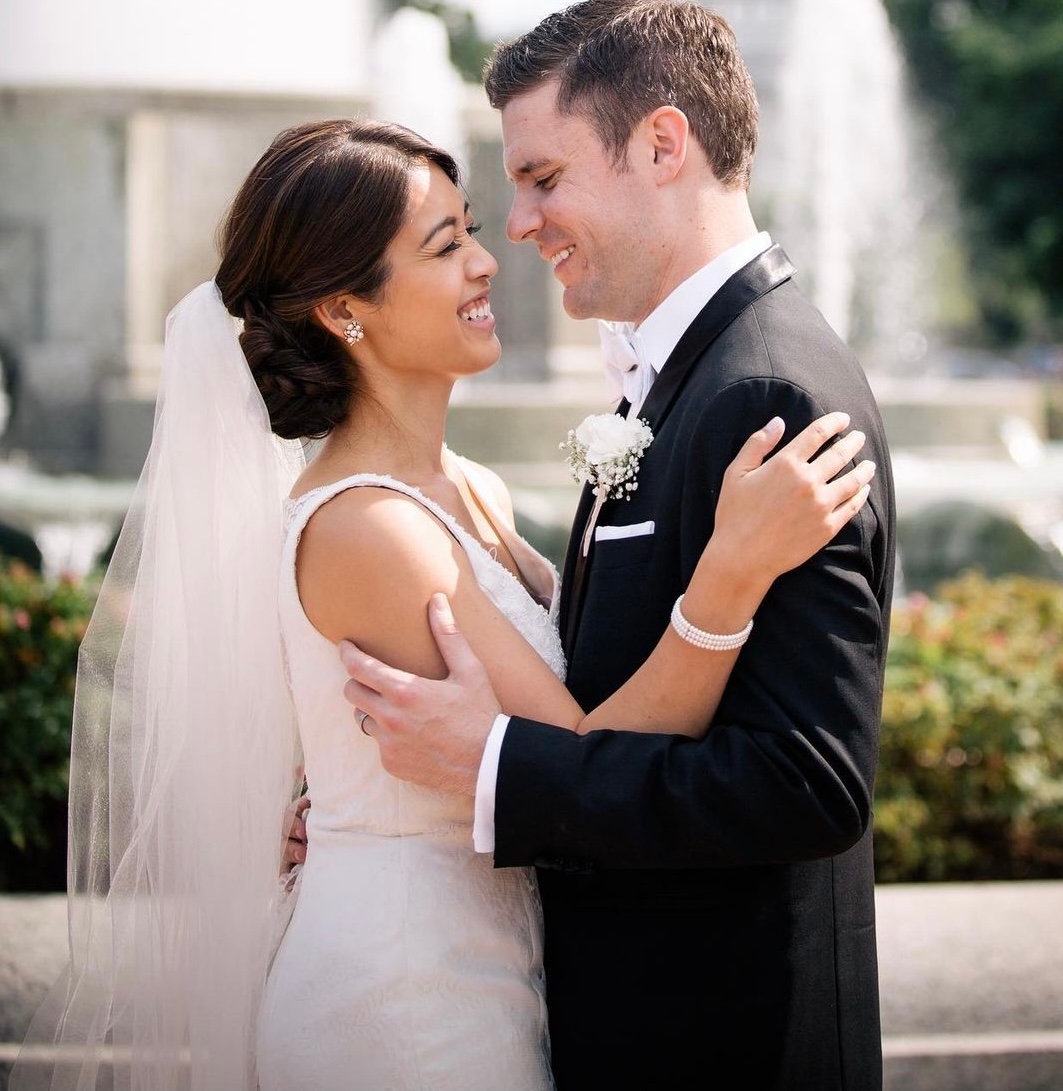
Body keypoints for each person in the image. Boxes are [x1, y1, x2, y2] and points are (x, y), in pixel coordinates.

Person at [14, 114, 872, 1091]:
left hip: (489, 959)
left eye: (468, 227)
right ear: (345, 310)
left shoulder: (468, 488)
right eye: (444, 245)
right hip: (406, 993)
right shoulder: (368, 529)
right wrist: (729, 576)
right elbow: (595, 751)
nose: (485, 261)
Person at [337, 0, 897, 1091]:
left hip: (724, 1043)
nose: (517, 222)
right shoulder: (685, 372)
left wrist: (493, 765)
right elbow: (597, 666)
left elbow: (806, 781)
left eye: (544, 176)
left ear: (660, 144)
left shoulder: (766, 392)